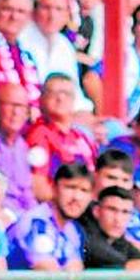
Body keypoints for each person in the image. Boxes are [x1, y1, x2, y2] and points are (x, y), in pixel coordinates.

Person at [24, 72, 97, 200]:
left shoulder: (82, 137)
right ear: (42, 98)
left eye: (66, 94)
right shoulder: (39, 134)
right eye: (53, 93)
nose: (60, 98)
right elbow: (38, 186)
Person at [6, 160, 90, 271]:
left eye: (84, 191)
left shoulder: (72, 229)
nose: (76, 197)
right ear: (54, 188)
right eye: (70, 188)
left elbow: (75, 269)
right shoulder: (35, 222)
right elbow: (47, 270)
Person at [0, 81, 35, 217]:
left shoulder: (23, 146)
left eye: (21, 107)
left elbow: (27, 194)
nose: (16, 112)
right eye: (11, 105)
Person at [81, 185, 140, 270]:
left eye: (125, 212)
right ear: (96, 211)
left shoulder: (117, 239)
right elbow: (127, 266)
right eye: (112, 210)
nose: (118, 219)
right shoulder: (86, 236)